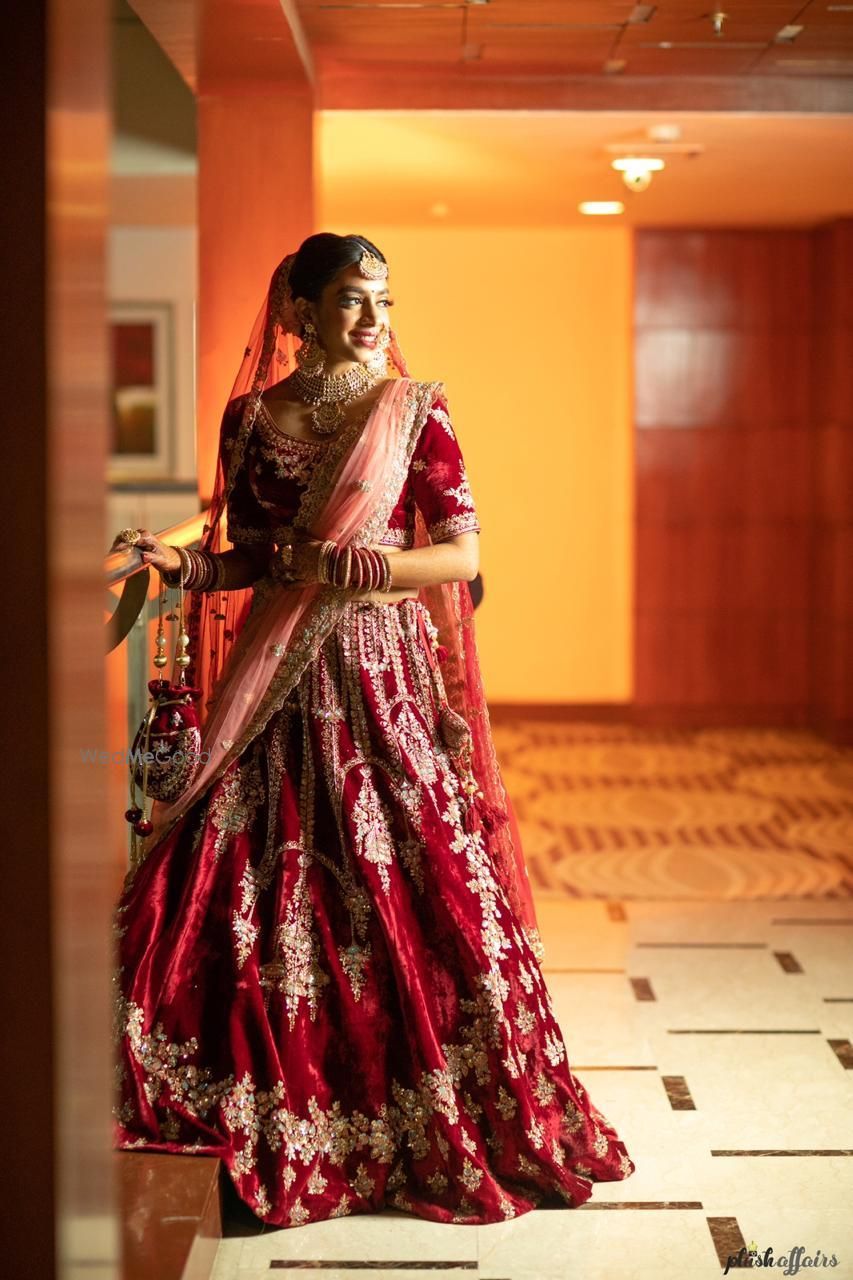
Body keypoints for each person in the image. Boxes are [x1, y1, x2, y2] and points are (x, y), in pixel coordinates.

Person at [110, 232, 635, 1229]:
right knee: (254, 881)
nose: (370, 318)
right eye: (349, 298)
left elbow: (464, 553)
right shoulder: (250, 419)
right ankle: (282, 1084)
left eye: (381, 298)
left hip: (379, 675)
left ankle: (418, 1099)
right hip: (275, 688)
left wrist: (375, 571)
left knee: (409, 876)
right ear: (298, 311)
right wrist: (183, 569)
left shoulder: (413, 410)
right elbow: (254, 558)